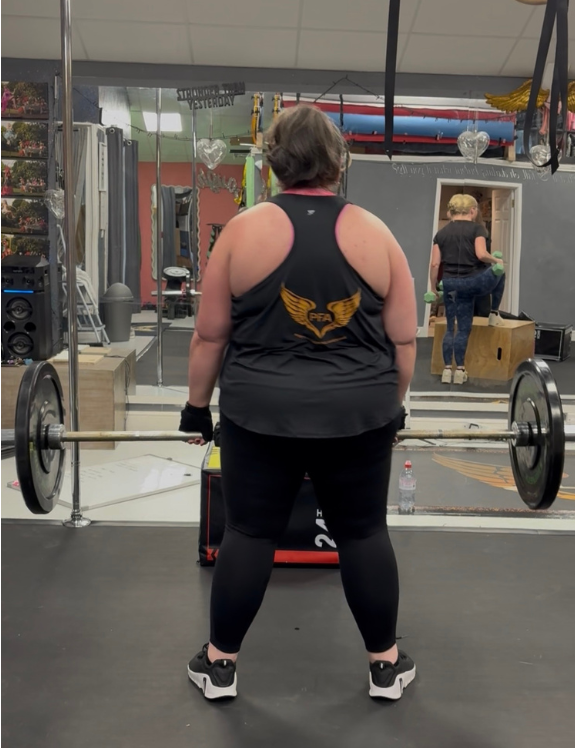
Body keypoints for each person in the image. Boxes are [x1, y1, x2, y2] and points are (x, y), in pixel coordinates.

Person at [181, 104, 419, 701]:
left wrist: (195, 408)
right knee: (363, 533)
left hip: (259, 412)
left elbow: (210, 334)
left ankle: (218, 666)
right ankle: (385, 667)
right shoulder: (376, 231)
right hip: (357, 410)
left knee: (250, 534)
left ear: (272, 162)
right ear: (340, 161)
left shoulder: (242, 230)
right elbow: (405, 340)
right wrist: (393, 407)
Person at [426, 193, 505, 384]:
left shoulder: (441, 234)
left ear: (449, 212)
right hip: (473, 282)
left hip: (451, 285)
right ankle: (494, 313)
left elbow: (435, 265)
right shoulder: (477, 228)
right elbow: (481, 254)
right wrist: (496, 260)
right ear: (472, 211)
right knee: (500, 270)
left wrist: (434, 287)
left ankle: (450, 371)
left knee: (451, 328)